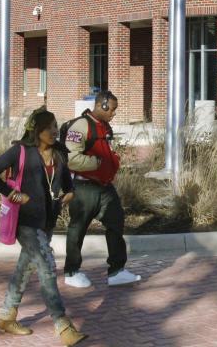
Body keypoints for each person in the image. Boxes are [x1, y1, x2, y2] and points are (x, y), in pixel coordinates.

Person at [0, 107, 87, 346]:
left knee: (26, 266)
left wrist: (68, 195)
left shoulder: (60, 153)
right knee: (47, 266)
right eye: (49, 127)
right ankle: (63, 325)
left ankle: (7, 315)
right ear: (37, 130)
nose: (54, 130)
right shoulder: (20, 151)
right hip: (26, 223)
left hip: (48, 221)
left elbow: (68, 185)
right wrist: (12, 193)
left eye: (55, 126)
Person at [62, 90, 141, 288]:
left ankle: (116, 271)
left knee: (116, 222)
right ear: (101, 105)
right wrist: (97, 162)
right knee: (78, 228)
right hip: (83, 187)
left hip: (104, 187)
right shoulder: (81, 125)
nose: (114, 113)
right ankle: (71, 272)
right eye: (112, 109)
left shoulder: (104, 126)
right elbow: (70, 158)